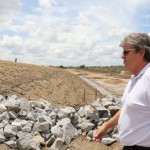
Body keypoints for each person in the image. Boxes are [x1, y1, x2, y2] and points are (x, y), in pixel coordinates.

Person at [93, 33, 150, 150]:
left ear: (141, 52)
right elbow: (127, 108)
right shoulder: (135, 78)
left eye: (126, 52)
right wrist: (105, 126)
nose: (122, 56)